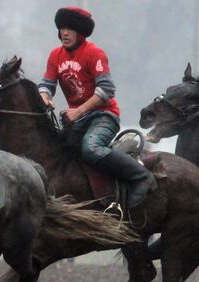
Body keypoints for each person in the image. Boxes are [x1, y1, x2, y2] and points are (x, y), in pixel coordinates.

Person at [38, 6, 156, 208]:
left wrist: (79, 111)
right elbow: (46, 85)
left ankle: (140, 176)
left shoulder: (94, 53)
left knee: (90, 149)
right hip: (76, 120)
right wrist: (44, 97)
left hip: (104, 116)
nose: (65, 33)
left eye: (70, 28)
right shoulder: (55, 55)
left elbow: (106, 90)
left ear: (81, 32)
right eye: (62, 28)